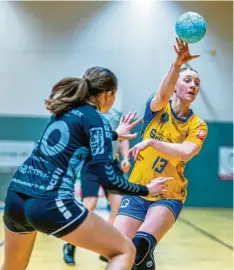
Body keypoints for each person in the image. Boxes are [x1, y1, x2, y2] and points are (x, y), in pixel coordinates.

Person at [2, 66, 172, 270]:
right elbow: (108, 179)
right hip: (48, 201)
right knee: (124, 251)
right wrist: (146, 190)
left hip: (16, 197)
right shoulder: (96, 118)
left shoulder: (64, 110)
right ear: (108, 94)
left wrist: (114, 134)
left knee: (13, 266)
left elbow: (75, 138)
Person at [114, 38, 208, 270]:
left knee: (140, 244)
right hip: (137, 189)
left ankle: (144, 257)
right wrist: (177, 64)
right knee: (118, 252)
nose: (193, 86)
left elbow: (185, 152)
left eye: (197, 82)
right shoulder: (157, 108)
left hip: (169, 193)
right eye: (187, 80)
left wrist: (152, 142)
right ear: (176, 85)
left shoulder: (198, 125)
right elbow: (163, 95)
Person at [63, 108, 131, 265]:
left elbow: (123, 139)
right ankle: (71, 245)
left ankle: (108, 246)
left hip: (111, 164)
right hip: (91, 164)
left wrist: (125, 157)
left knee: (118, 205)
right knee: (89, 205)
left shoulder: (116, 115)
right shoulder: (87, 114)